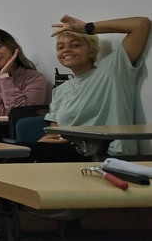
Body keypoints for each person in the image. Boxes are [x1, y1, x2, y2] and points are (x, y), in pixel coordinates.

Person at [41, 15, 151, 155]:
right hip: (71, 154)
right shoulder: (60, 90)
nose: (66, 50)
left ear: (91, 50)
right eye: (60, 47)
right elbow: (54, 132)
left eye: (75, 45)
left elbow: (141, 24)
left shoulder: (112, 70)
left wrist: (88, 28)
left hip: (111, 156)